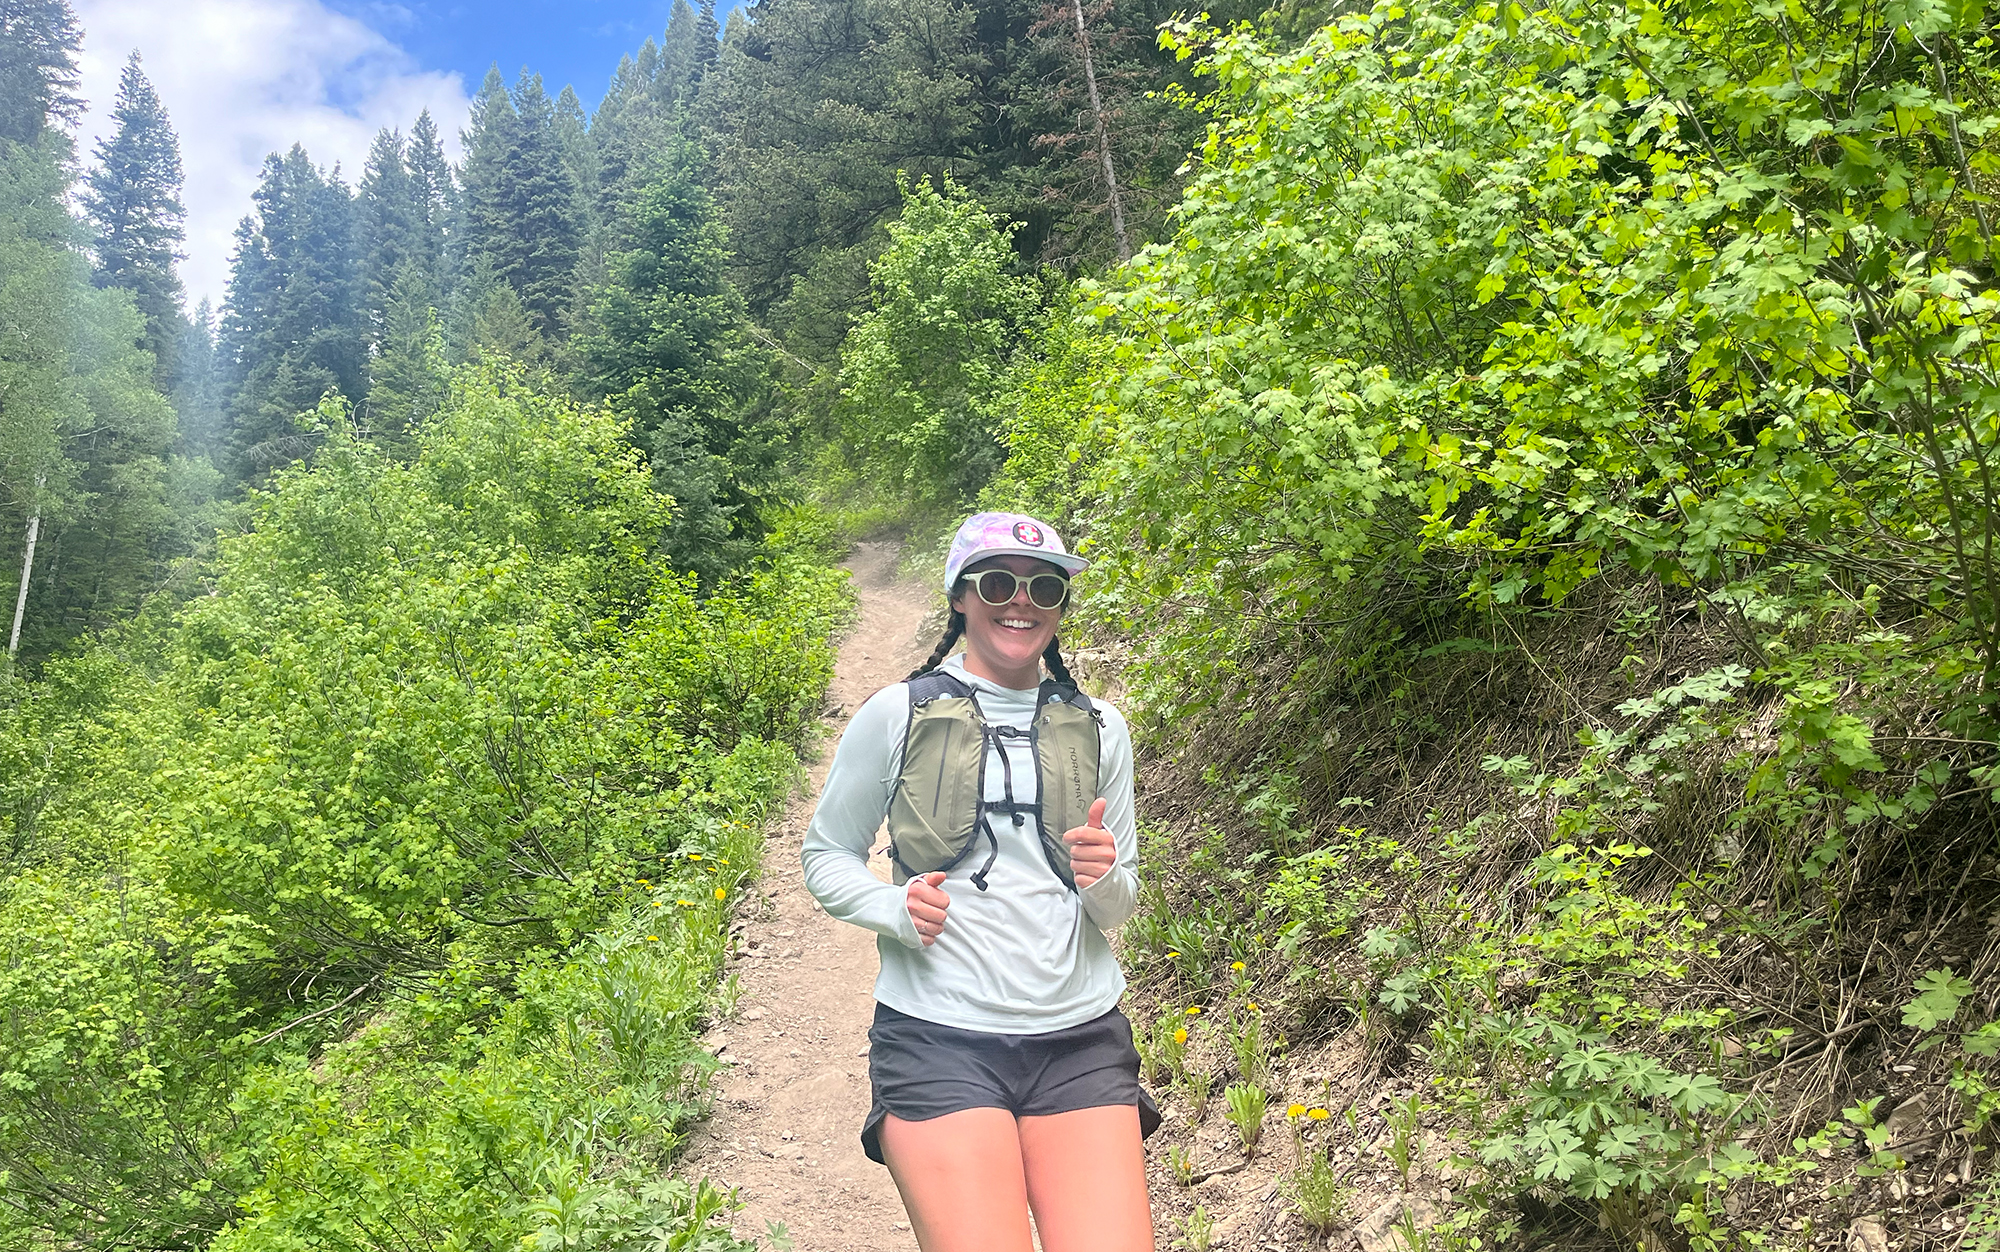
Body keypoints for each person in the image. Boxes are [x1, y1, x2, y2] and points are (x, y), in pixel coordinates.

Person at [802, 511, 1158, 1252]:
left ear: (1060, 607)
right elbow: (827, 854)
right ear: (961, 597)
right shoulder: (897, 713)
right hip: (938, 1039)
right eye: (998, 583)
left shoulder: (1102, 727)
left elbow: (1120, 902)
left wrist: (1101, 878)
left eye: (1044, 587)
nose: (1020, 601)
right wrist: (892, 907)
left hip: (1082, 1040)